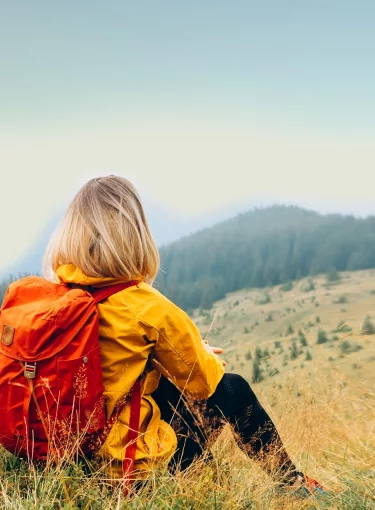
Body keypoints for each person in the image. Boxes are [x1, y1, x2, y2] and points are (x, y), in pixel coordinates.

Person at [43, 176, 326, 495]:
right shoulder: (144, 305)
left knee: (161, 383)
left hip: (61, 454)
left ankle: (238, 481)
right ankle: (294, 486)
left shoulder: (52, 298)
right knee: (234, 388)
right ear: (133, 234)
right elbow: (204, 383)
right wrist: (198, 351)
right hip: (124, 469)